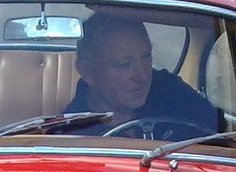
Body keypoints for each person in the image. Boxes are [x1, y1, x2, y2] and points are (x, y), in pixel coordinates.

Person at [63, 12, 219, 138]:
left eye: (146, 57)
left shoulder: (168, 90)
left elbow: (221, 132)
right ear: (88, 72)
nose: (143, 76)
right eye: (124, 64)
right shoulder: (71, 131)